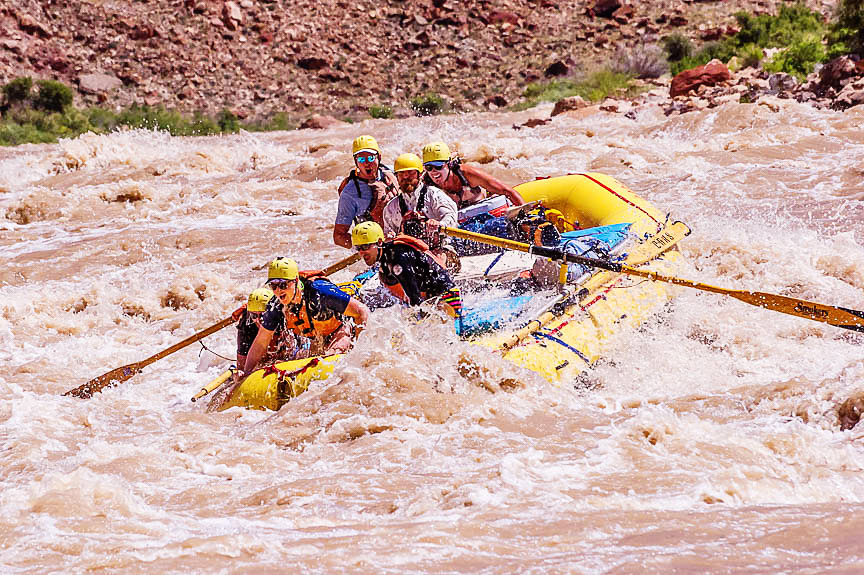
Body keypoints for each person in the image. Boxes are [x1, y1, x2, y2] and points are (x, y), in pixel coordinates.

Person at [241, 257, 371, 377]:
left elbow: (361, 311)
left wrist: (359, 347)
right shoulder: (276, 305)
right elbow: (260, 342)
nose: (278, 291)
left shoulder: (320, 292)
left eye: (283, 285)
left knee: (331, 358)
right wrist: (246, 373)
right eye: (273, 286)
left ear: (296, 281)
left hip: (342, 330)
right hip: (317, 339)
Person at [351, 221, 462, 321]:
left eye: (365, 246)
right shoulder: (385, 258)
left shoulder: (397, 259)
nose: (361, 252)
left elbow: (415, 299)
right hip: (430, 299)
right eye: (358, 248)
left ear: (380, 242)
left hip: (447, 297)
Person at [333, 135, 399, 248]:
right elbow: (339, 236)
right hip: (375, 248)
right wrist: (363, 246)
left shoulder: (392, 173)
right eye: (361, 159)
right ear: (356, 162)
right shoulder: (350, 194)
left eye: (371, 158)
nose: (367, 163)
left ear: (379, 157)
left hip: (399, 238)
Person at [421, 141, 524, 209]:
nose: (434, 171)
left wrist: (527, 217)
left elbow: (507, 191)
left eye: (438, 166)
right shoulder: (425, 184)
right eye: (429, 167)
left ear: (449, 163)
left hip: (484, 214)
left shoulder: (468, 174)